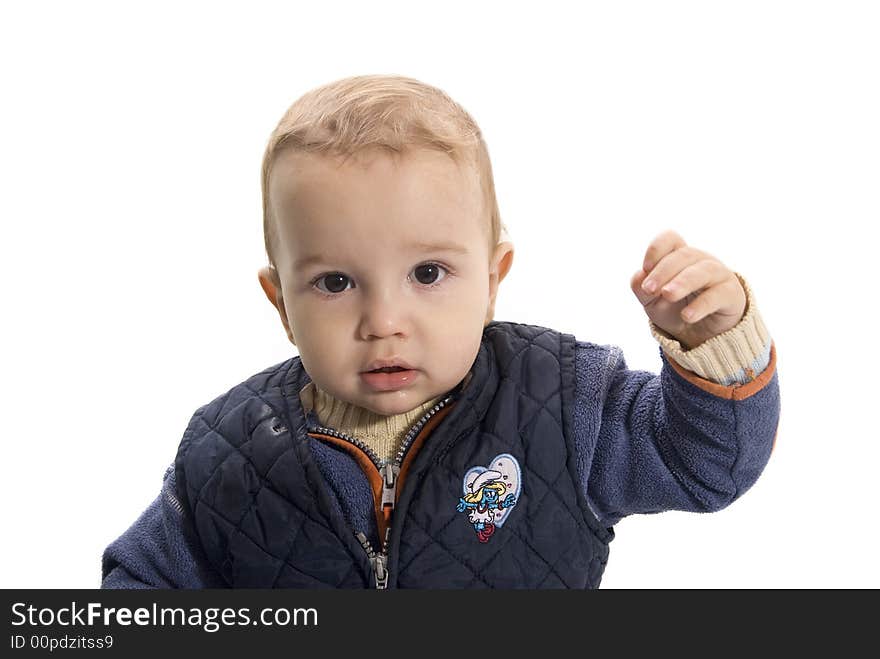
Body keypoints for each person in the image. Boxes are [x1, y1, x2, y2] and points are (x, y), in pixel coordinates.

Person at [101, 74, 780, 589]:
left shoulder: (561, 405)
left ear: (492, 278)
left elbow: (704, 464)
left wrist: (713, 344)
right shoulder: (229, 452)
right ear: (281, 302)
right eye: (336, 283)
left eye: (427, 272)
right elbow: (140, 584)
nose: (384, 322)